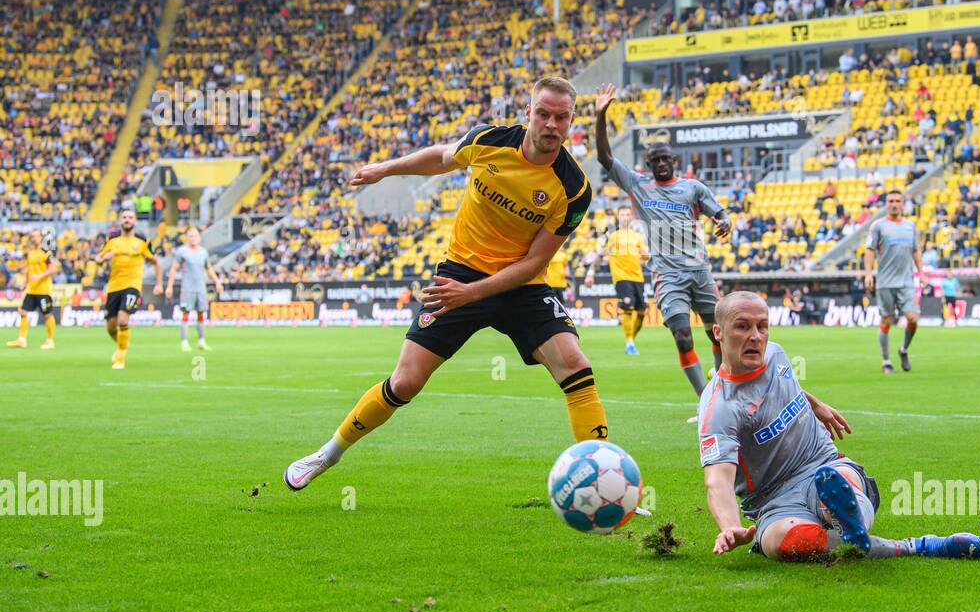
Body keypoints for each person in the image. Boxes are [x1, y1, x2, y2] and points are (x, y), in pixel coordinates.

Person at [284, 77, 606, 492]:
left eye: (560, 117)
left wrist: (472, 295)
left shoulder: (574, 188)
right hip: (460, 272)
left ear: (571, 122)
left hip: (520, 285)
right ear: (528, 112)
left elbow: (534, 263)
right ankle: (327, 453)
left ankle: (602, 483)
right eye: (543, 113)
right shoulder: (490, 141)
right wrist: (387, 168)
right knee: (404, 383)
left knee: (576, 366)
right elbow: (441, 157)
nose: (550, 124)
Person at [699, 292, 980, 562]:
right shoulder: (720, 408)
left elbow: (778, 385)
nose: (755, 336)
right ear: (718, 332)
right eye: (742, 327)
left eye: (762, 326)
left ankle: (852, 520)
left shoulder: (775, 354)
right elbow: (717, 480)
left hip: (821, 465)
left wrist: (814, 404)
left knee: (838, 485)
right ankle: (905, 543)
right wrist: (730, 525)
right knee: (786, 542)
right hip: (772, 501)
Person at [593, 83, 733, 398]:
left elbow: (721, 213)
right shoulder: (637, 185)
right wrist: (600, 114)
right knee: (683, 336)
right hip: (668, 276)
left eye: (664, 158)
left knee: (718, 336)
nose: (660, 163)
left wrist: (725, 222)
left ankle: (722, 389)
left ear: (673, 160)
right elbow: (604, 156)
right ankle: (705, 400)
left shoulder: (692, 188)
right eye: (654, 160)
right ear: (648, 163)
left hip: (699, 271)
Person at [96, 208, 164, 369]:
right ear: (120, 220)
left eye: (130, 217)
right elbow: (98, 258)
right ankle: (123, 344)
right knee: (111, 327)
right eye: (125, 217)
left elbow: (157, 262)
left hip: (132, 286)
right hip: (113, 287)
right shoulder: (112, 240)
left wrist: (159, 283)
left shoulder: (143, 241)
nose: (127, 220)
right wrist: (103, 258)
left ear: (135, 221)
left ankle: (120, 358)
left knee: (122, 318)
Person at [863, 190, 921, 374]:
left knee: (912, 319)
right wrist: (868, 273)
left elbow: (916, 250)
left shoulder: (910, 226)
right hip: (885, 281)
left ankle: (903, 350)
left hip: (906, 281)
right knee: (886, 320)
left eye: (898, 201)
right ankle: (886, 362)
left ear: (903, 204)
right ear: (886, 204)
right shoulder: (878, 226)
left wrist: (922, 272)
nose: (894, 204)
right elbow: (870, 249)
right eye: (891, 201)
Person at [585, 205, 650, 354]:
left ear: (632, 217)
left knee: (641, 311)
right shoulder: (612, 236)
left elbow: (647, 257)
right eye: (622, 215)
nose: (625, 217)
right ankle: (629, 343)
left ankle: (631, 340)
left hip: (638, 278)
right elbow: (600, 255)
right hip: (621, 277)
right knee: (627, 305)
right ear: (618, 217)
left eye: (628, 214)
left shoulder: (638, 236)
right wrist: (590, 273)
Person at [166, 226, 224, 352]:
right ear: (187, 237)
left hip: (201, 287)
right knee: (185, 313)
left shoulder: (203, 252)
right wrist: (169, 286)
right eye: (190, 236)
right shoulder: (182, 252)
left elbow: (209, 268)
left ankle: (201, 341)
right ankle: (184, 342)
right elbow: (174, 269)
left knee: (201, 313)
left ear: (199, 238)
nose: (193, 238)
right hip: (187, 288)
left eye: (195, 236)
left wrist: (217, 282)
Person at [6, 230, 59, 350]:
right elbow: (30, 271)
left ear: (41, 238)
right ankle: (21, 340)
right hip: (31, 289)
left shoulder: (47, 252)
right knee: (23, 313)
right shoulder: (31, 253)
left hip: (43, 290)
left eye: (36, 236)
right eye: (32, 236)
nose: (34, 238)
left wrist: (39, 277)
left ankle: (50, 341)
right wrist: (25, 283)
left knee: (47, 315)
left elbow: (54, 269)